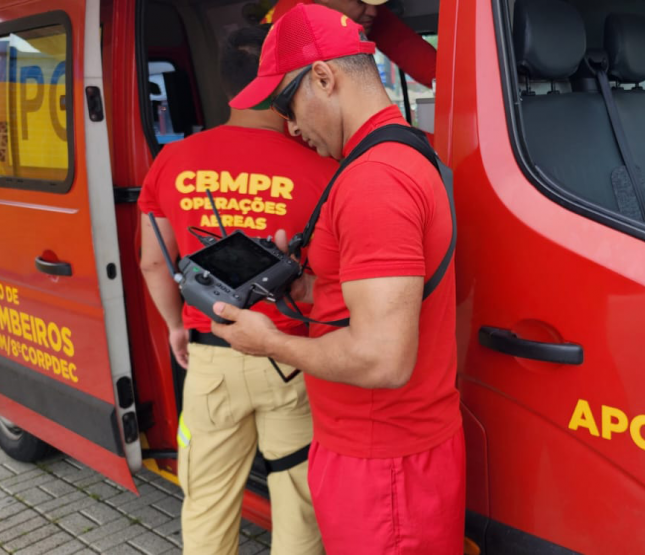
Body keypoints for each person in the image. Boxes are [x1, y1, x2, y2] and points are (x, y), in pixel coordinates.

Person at [212, 5, 465, 553]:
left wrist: (270, 342)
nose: (291, 127)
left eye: (287, 103)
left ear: (324, 78)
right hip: (380, 455)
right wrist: (308, 290)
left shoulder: (375, 181)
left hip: (384, 469)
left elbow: (382, 358)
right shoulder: (394, 152)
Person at [138, 25, 337, 555]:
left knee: (206, 501)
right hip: (291, 356)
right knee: (298, 499)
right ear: (284, 85)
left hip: (212, 357)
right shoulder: (324, 165)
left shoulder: (172, 161)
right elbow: (331, 280)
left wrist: (177, 327)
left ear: (228, 85)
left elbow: (153, 261)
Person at [262, 0, 436, 88]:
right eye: (360, 1)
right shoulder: (291, 28)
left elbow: (427, 64)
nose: (373, 12)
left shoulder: (362, 12)